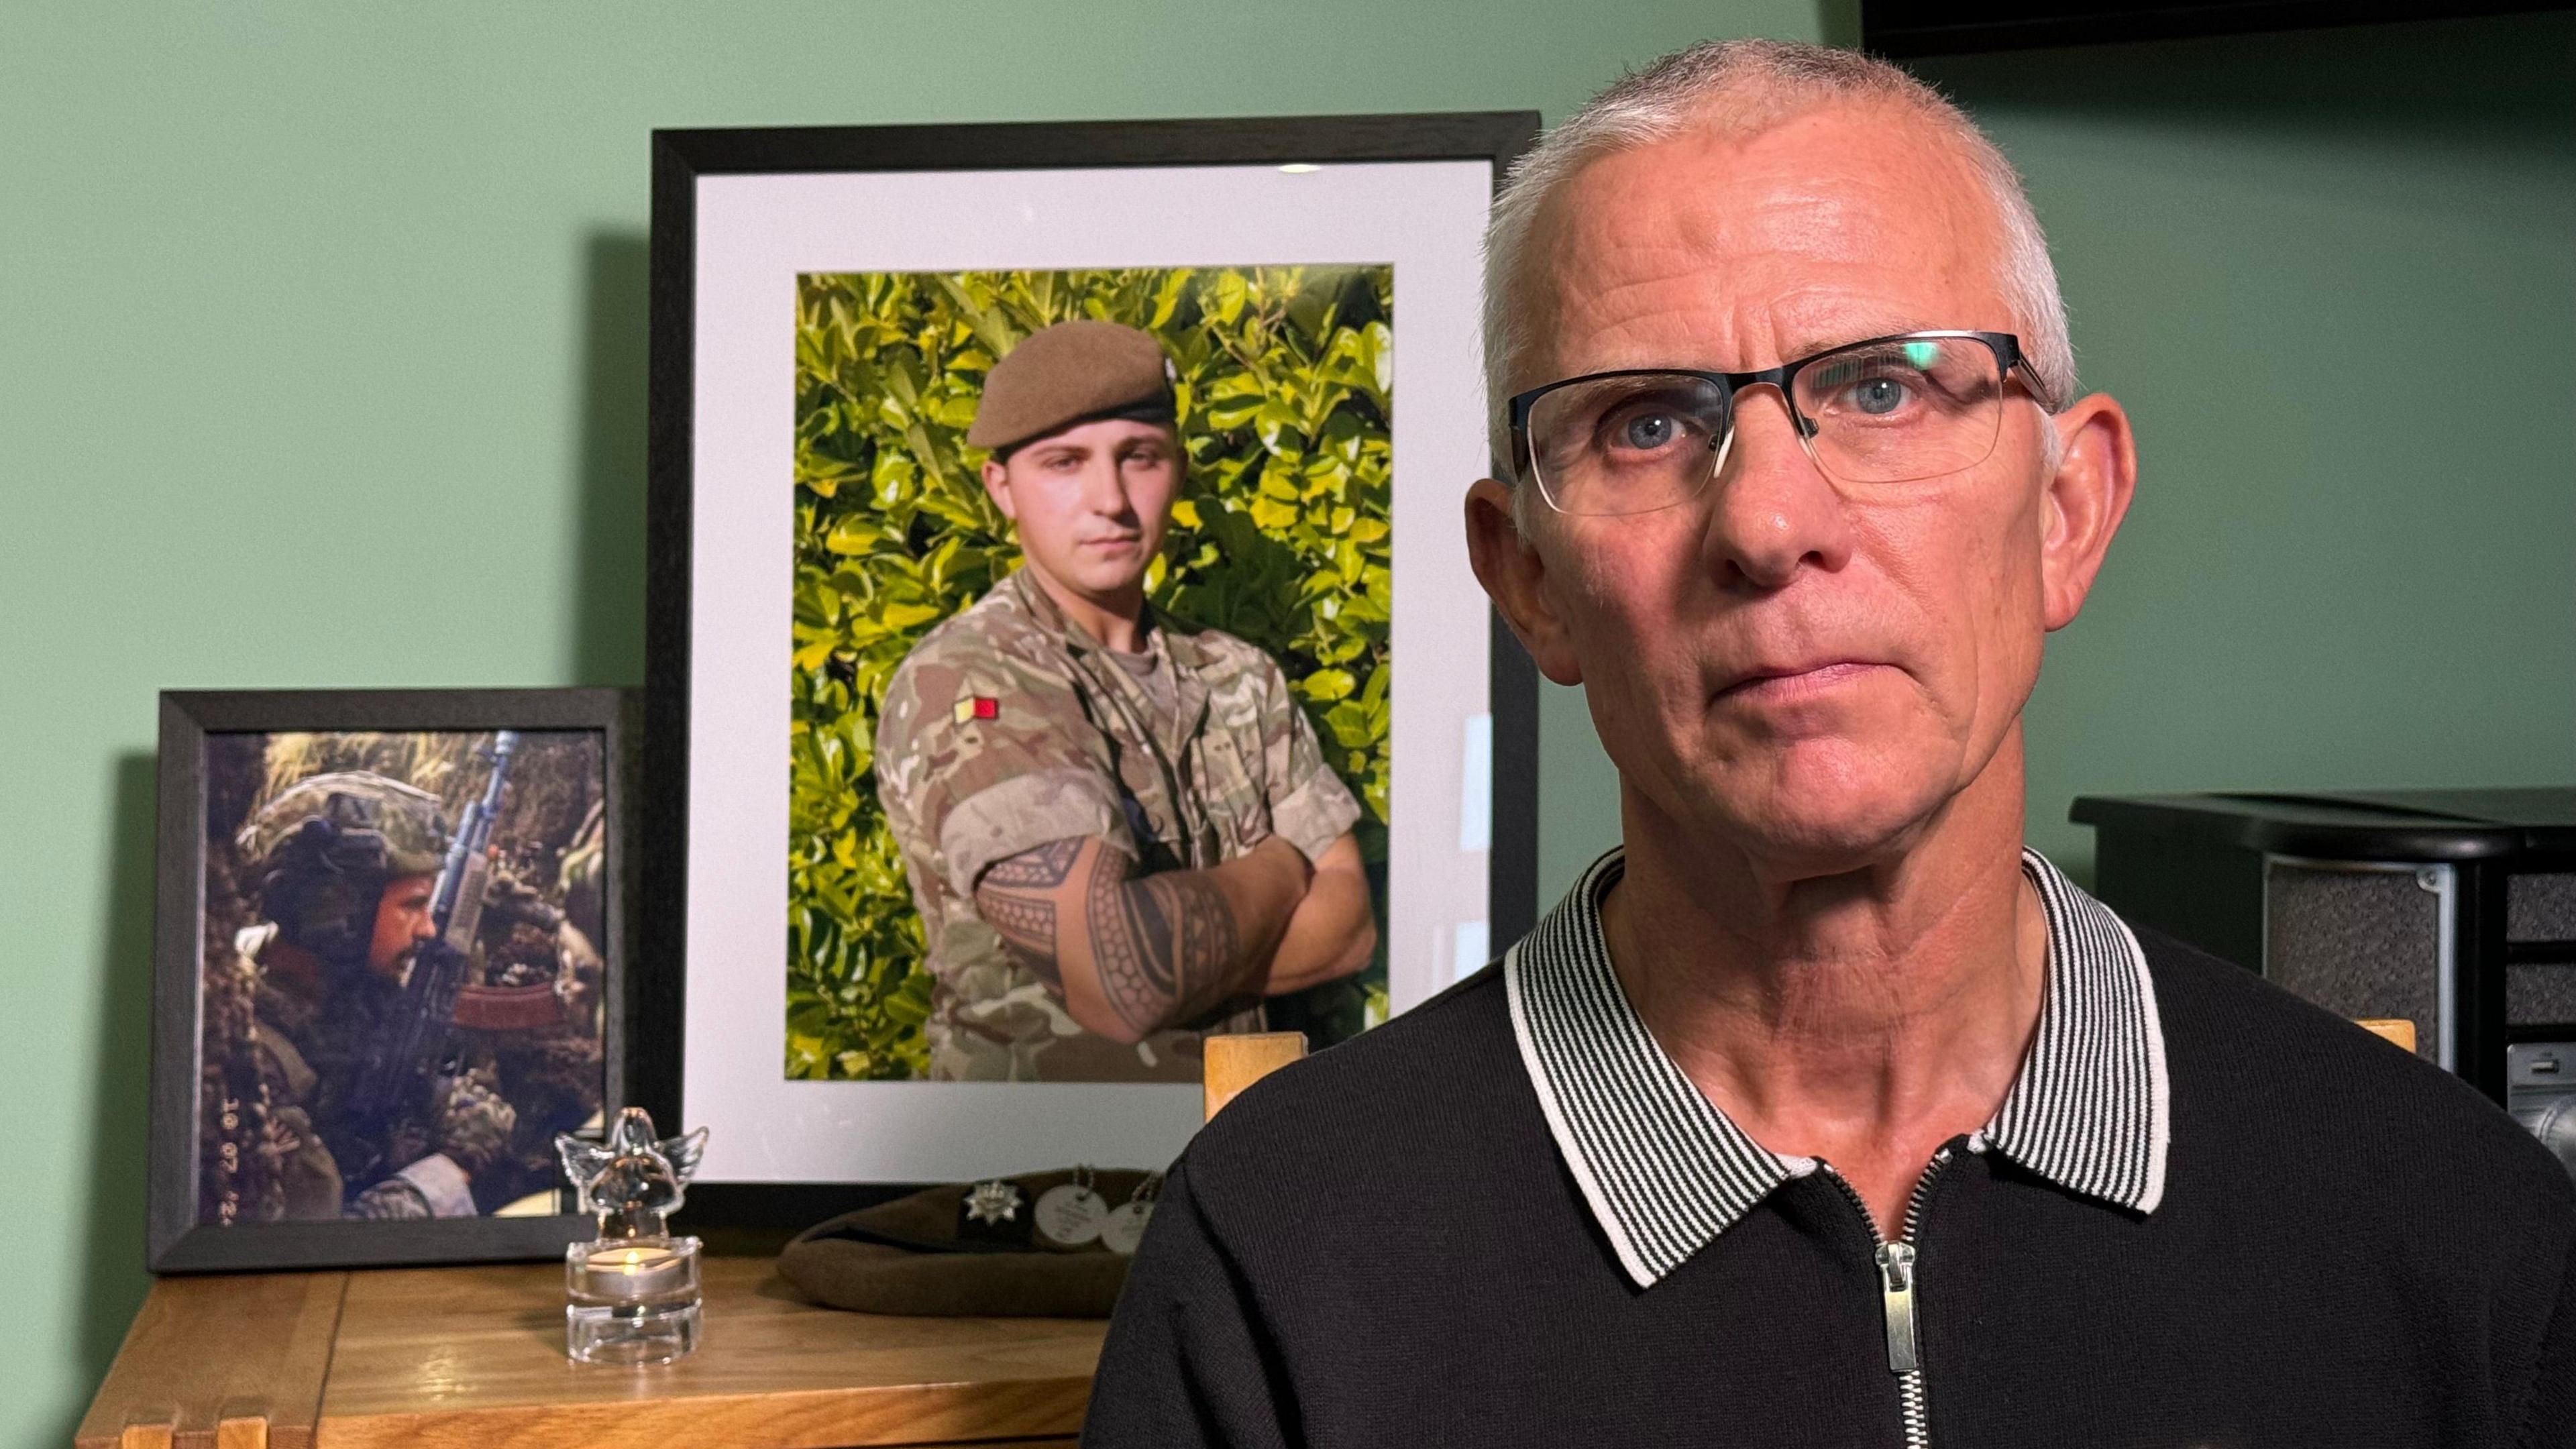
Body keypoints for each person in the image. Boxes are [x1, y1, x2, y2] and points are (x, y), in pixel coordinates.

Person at [1084, 39, 2575, 1447]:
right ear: (1529, 582)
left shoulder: (2455, 1228)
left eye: (1883, 388)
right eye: (1646, 423)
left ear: (2067, 515)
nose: (1771, 523)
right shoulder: (1280, 1257)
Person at [875, 319, 1378, 1083]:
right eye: (1064, 463)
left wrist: (1177, 954)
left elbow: (1349, 931)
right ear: (1001, 487)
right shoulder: (971, 678)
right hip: (1046, 1172)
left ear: (1175, 467)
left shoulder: (1238, 675)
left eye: (1138, 457)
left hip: (1235, 1147)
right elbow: (1119, 980)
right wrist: (1282, 868)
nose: (1109, 499)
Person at [225, 771, 519, 1220]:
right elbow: (318, 1242)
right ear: (337, 909)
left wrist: (442, 1102)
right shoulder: (248, 1053)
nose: (428, 928)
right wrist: (446, 1176)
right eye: (412, 906)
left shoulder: (346, 994)